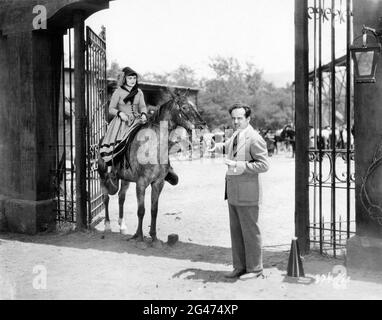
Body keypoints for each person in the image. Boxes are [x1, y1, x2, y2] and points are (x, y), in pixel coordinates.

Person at [210, 103, 269, 280]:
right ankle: (240, 266)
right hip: (233, 191)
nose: (236, 121)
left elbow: (264, 165)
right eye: (233, 118)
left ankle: (255, 269)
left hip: (248, 193)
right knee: (236, 231)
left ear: (248, 119)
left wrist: (238, 165)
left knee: (250, 231)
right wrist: (217, 147)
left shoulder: (255, 138)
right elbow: (229, 146)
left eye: (240, 118)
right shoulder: (237, 134)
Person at [100, 66, 148, 172]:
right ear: (124, 79)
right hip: (122, 122)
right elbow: (111, 109)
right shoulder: (118, 92)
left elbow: (142, 106)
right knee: (122, 143)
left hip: (137, 119)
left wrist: (144, 114)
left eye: (134, 78)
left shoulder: (139, 92)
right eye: (130, 78)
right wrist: (120, 113)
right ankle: (115, 166)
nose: (132, 81)